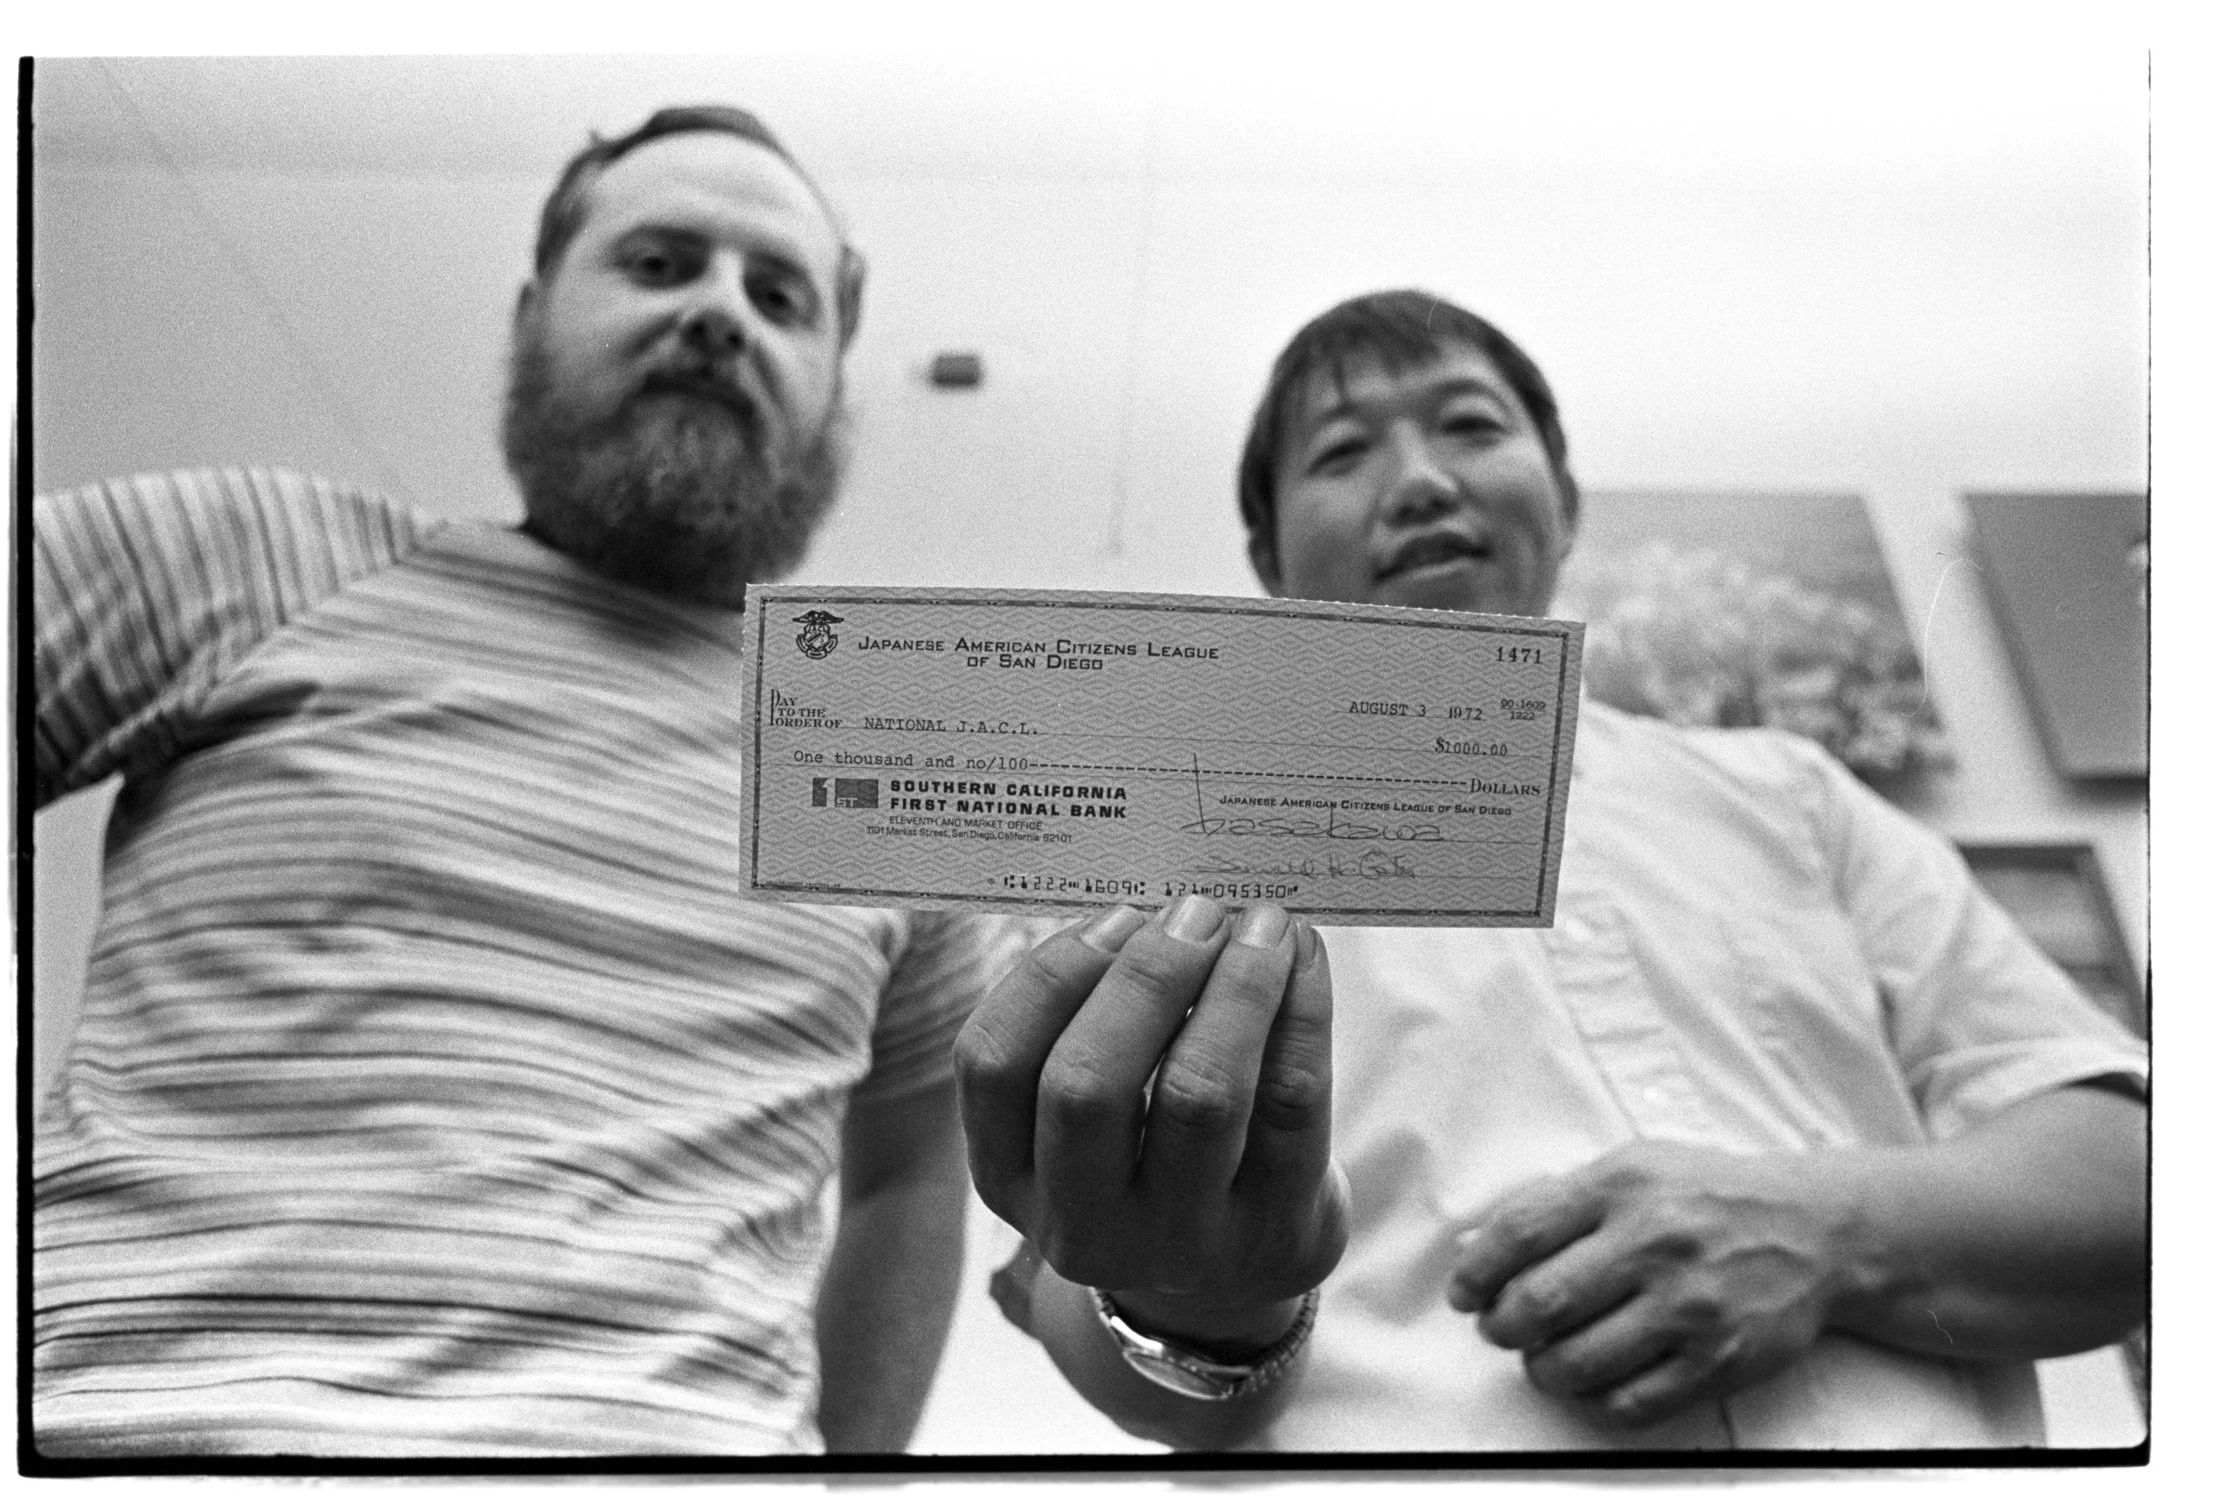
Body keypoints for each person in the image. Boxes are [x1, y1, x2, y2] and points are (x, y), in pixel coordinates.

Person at [957, 289, 2150, 1451]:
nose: (1420, 481)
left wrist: (1827, 1228)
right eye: (1342, 451)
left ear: (1565, 502)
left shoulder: (1793, 790)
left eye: (1469, 425)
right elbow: (1090, 1311)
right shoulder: (1159, 856)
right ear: (1270, 556)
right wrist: (1196, 1302)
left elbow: (2132, 1176)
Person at [32, 105, 992, 1459]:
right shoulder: (245, 555)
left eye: (779, 298)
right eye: (659, 263)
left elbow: (908, 1175)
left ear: (833, 391)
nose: (720, 314)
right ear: (534, 314)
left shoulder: (891, 759)